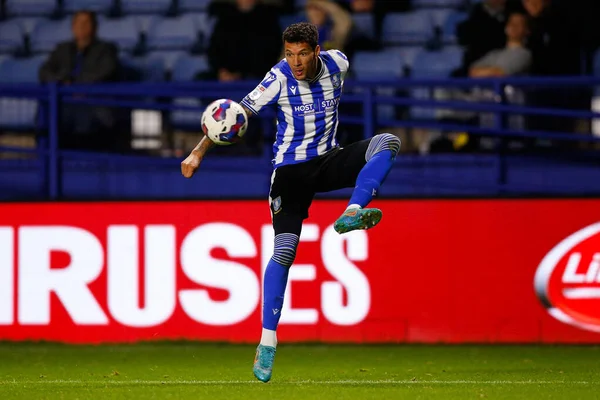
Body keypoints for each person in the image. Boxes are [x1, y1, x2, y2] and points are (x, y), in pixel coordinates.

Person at [180, 22, 400, 383]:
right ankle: (267, 342)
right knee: (284, 252)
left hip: (328, 160)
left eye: (301, 54)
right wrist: (198, 152)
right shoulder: (278, 78)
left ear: (316, 51)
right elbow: (236, 115)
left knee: (386, 142)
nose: (295, 62)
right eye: (289, 54)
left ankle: (352, 211)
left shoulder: (338, 64)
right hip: (290, 173)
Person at [39, 10, 123, 152]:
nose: (81, 27)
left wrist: (77, 86)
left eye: (86, 23)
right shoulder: (62, 49)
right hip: (64, 100)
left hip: (92, 102)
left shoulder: (106, 49)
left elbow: (106, 70)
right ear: (72, 27)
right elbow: (44, 72)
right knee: (47, 111)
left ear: (94, 27)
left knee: (83, 115)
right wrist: (62, 83)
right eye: (78, 23)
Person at [469, 12, 532, 78]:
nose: (513, 25)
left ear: (527, 30)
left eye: (519, 24)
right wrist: (491, 71)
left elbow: (499, 73)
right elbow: (472, 71)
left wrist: (488, 72)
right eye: (511, 22)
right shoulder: (495, 54)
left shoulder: (524, 54)